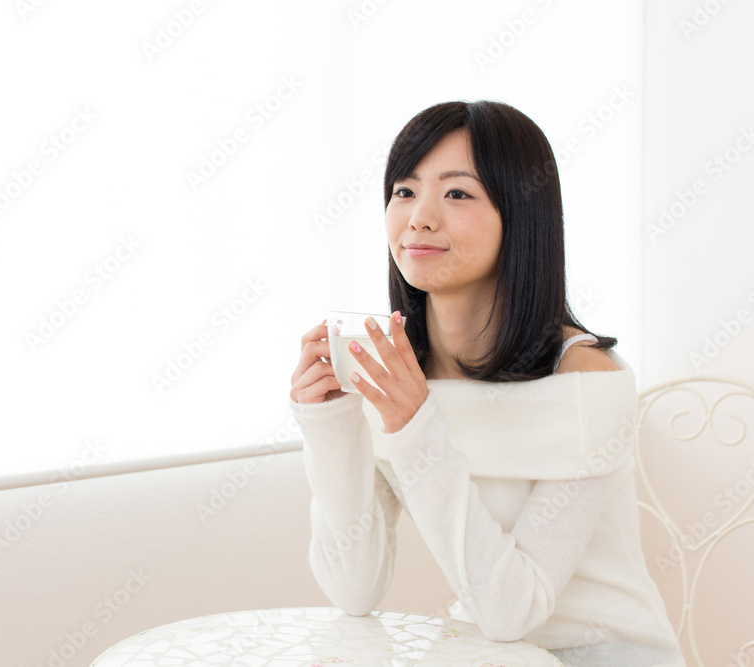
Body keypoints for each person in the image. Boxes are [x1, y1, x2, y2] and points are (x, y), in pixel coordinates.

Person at [287, 100, 686, 666]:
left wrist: (415, 427)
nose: (419, 217)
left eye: (457, 193)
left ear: (520, 215)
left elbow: (511, 609)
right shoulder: (398, 371)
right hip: (489, 655)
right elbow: (354, 587)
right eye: (404, 190)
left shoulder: (585, 380)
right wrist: (328, 423)